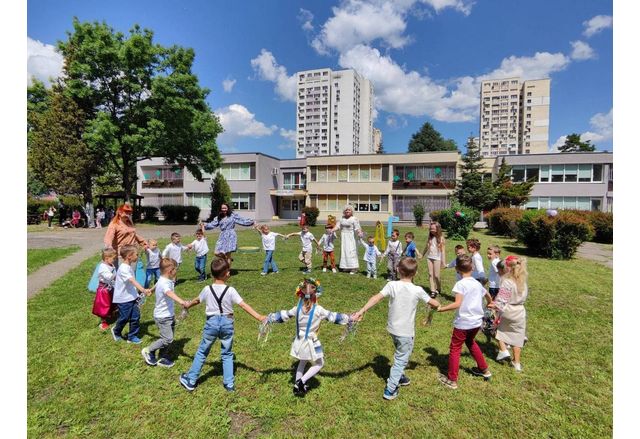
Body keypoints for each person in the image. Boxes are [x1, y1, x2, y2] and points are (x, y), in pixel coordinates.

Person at [353, 258, 440, 400]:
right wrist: (439, 305)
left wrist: (361, 310)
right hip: (405, 332)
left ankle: (398, 376)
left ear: (398, 270)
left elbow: (375, 298)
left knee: (400, 352)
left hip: (392, 329)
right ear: (416, 273)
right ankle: (390, 389)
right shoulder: (418, 290)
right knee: (401, 359)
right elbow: (433, 302)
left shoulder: (392, 285)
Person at [179, 258, 265, 392]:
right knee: (227, 353)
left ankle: (191, 379)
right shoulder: (231, 290)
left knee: (202, 351)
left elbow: (197, 300)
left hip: (211, 323)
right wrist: (259, 316)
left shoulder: (207, 289)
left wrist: (187, 305)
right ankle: (229, 384)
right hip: (227, 323)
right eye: (228, 270)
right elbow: (243, 305)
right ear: (226, 274)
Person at [266, 278, 353, 396]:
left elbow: (283, 315)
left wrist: (269, 318)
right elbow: (334, 317)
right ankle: (301, 382)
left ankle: (297, 386)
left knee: (303, 361)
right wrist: (350, 318)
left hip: (299, 340)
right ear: (316, 295)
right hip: (310, 341)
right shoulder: (318, 310)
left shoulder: (297, 309)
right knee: (319, 363)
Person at [437, 254, 493, 390]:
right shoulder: (477, 283)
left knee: (455, 349)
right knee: (471, 342)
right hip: (476, 323)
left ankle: (452, 380)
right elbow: (487, 294)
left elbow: (457, 304)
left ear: (457, 269)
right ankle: (484, 370)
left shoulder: (460, 284)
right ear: (472, 268)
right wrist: (490, 303)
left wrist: (441, 308)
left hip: (463, 323)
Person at [141, 258, 190, 368]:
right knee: (167, 339)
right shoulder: (165, 284)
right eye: (175, 269)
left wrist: (151, 290)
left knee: (168, 338)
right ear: (170, 271)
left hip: (168, 314)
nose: (177, 271)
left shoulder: (163, 279)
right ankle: (149, 350)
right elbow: (168, 293)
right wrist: (182, 302)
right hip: (163, 316)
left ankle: (162, 357)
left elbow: (157, 285)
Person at [490, 256, 529, 372]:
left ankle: (503, 350)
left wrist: (492, 305)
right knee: (518, 337)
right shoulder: (523, 282)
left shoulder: (507, 282)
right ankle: (516, 363)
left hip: (508, 311)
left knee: (497, 329)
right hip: (520, 311)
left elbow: (501, 301)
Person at [110, 245, 153, 344]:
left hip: (132, 297)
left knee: (135, 316)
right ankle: (116, 331)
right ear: (129, 256)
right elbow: (132, 280)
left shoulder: (128, 266)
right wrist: (143, 290)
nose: (137, 256)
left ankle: (132, 336)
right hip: (123, 299)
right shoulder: (124, 268)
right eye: (136, 255)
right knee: (124, 317)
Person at [202, 203, 254, 267]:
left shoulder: (232, 215)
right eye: (222, 208)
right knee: (216, 252)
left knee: (228, 254)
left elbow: (242, 220)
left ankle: (227, 271)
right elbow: (212, 224)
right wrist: (205, 225)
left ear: (228, 208)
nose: (224, 209)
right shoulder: (218, 217)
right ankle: (226, 258)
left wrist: (251, 222)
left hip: (231, 235)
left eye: (225, 208)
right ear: (220, 209)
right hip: (222, 235)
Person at [332, 205, 363, 274]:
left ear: (352, 211)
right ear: (344, 211)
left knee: (351, 251)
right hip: (343, 237)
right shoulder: (341, 218)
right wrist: (332, 230)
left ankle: (354, 268)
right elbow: (337, 226)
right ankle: (346, 267)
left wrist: (359, 233)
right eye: (346, 210)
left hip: (351, 237)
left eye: (349, 210)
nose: (347, 211)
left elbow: (357, 228)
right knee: (344, 251)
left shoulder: (354, 219)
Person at [422, 222, 446, 298]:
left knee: (436, 275)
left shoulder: (441, 238)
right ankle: (433, 290)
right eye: (431, 228)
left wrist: (443, 262)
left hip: (437, 258)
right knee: (430, 274)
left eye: (433, 228)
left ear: (437, 229)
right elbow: (427, 246)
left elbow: (443, 251)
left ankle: (438, 288)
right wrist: (422, 254)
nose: (431, 230)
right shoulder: (430, 237)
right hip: (429, 257)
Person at [96, 248, 117, 330]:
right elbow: (108, 277)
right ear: (107, 258)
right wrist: (118, 275)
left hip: (110, 287)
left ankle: (111, 313)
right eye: (113, 258)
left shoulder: (111, 265)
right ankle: (103, 322)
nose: (114, 260)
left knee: (112, 302)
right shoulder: (102, 267)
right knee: (104, 305)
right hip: (104, 290)